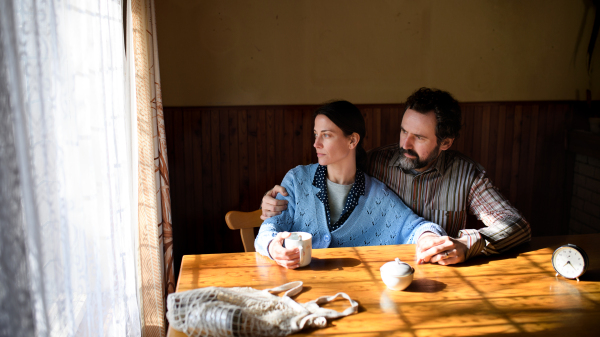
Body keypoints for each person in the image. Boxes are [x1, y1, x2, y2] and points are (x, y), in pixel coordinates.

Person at [261, 88, 532, 266]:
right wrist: (269, 205)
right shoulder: (376, 162)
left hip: (434, 272)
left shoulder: (467, 176)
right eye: (404, 131)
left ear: (446, 142)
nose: (405, 143)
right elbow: (326, 178)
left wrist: (467, 243)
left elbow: (516, 225)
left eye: (419, 137)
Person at [255, 100, 446, 269]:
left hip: (354, 291)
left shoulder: (376, 194)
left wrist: (428, 237)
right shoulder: (297, 180)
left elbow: (414, 227)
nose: (316, 143)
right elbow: (268, 230)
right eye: (315, 134)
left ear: (352, 140)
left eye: (326, 135)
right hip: (297, 287)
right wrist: (273, 247)